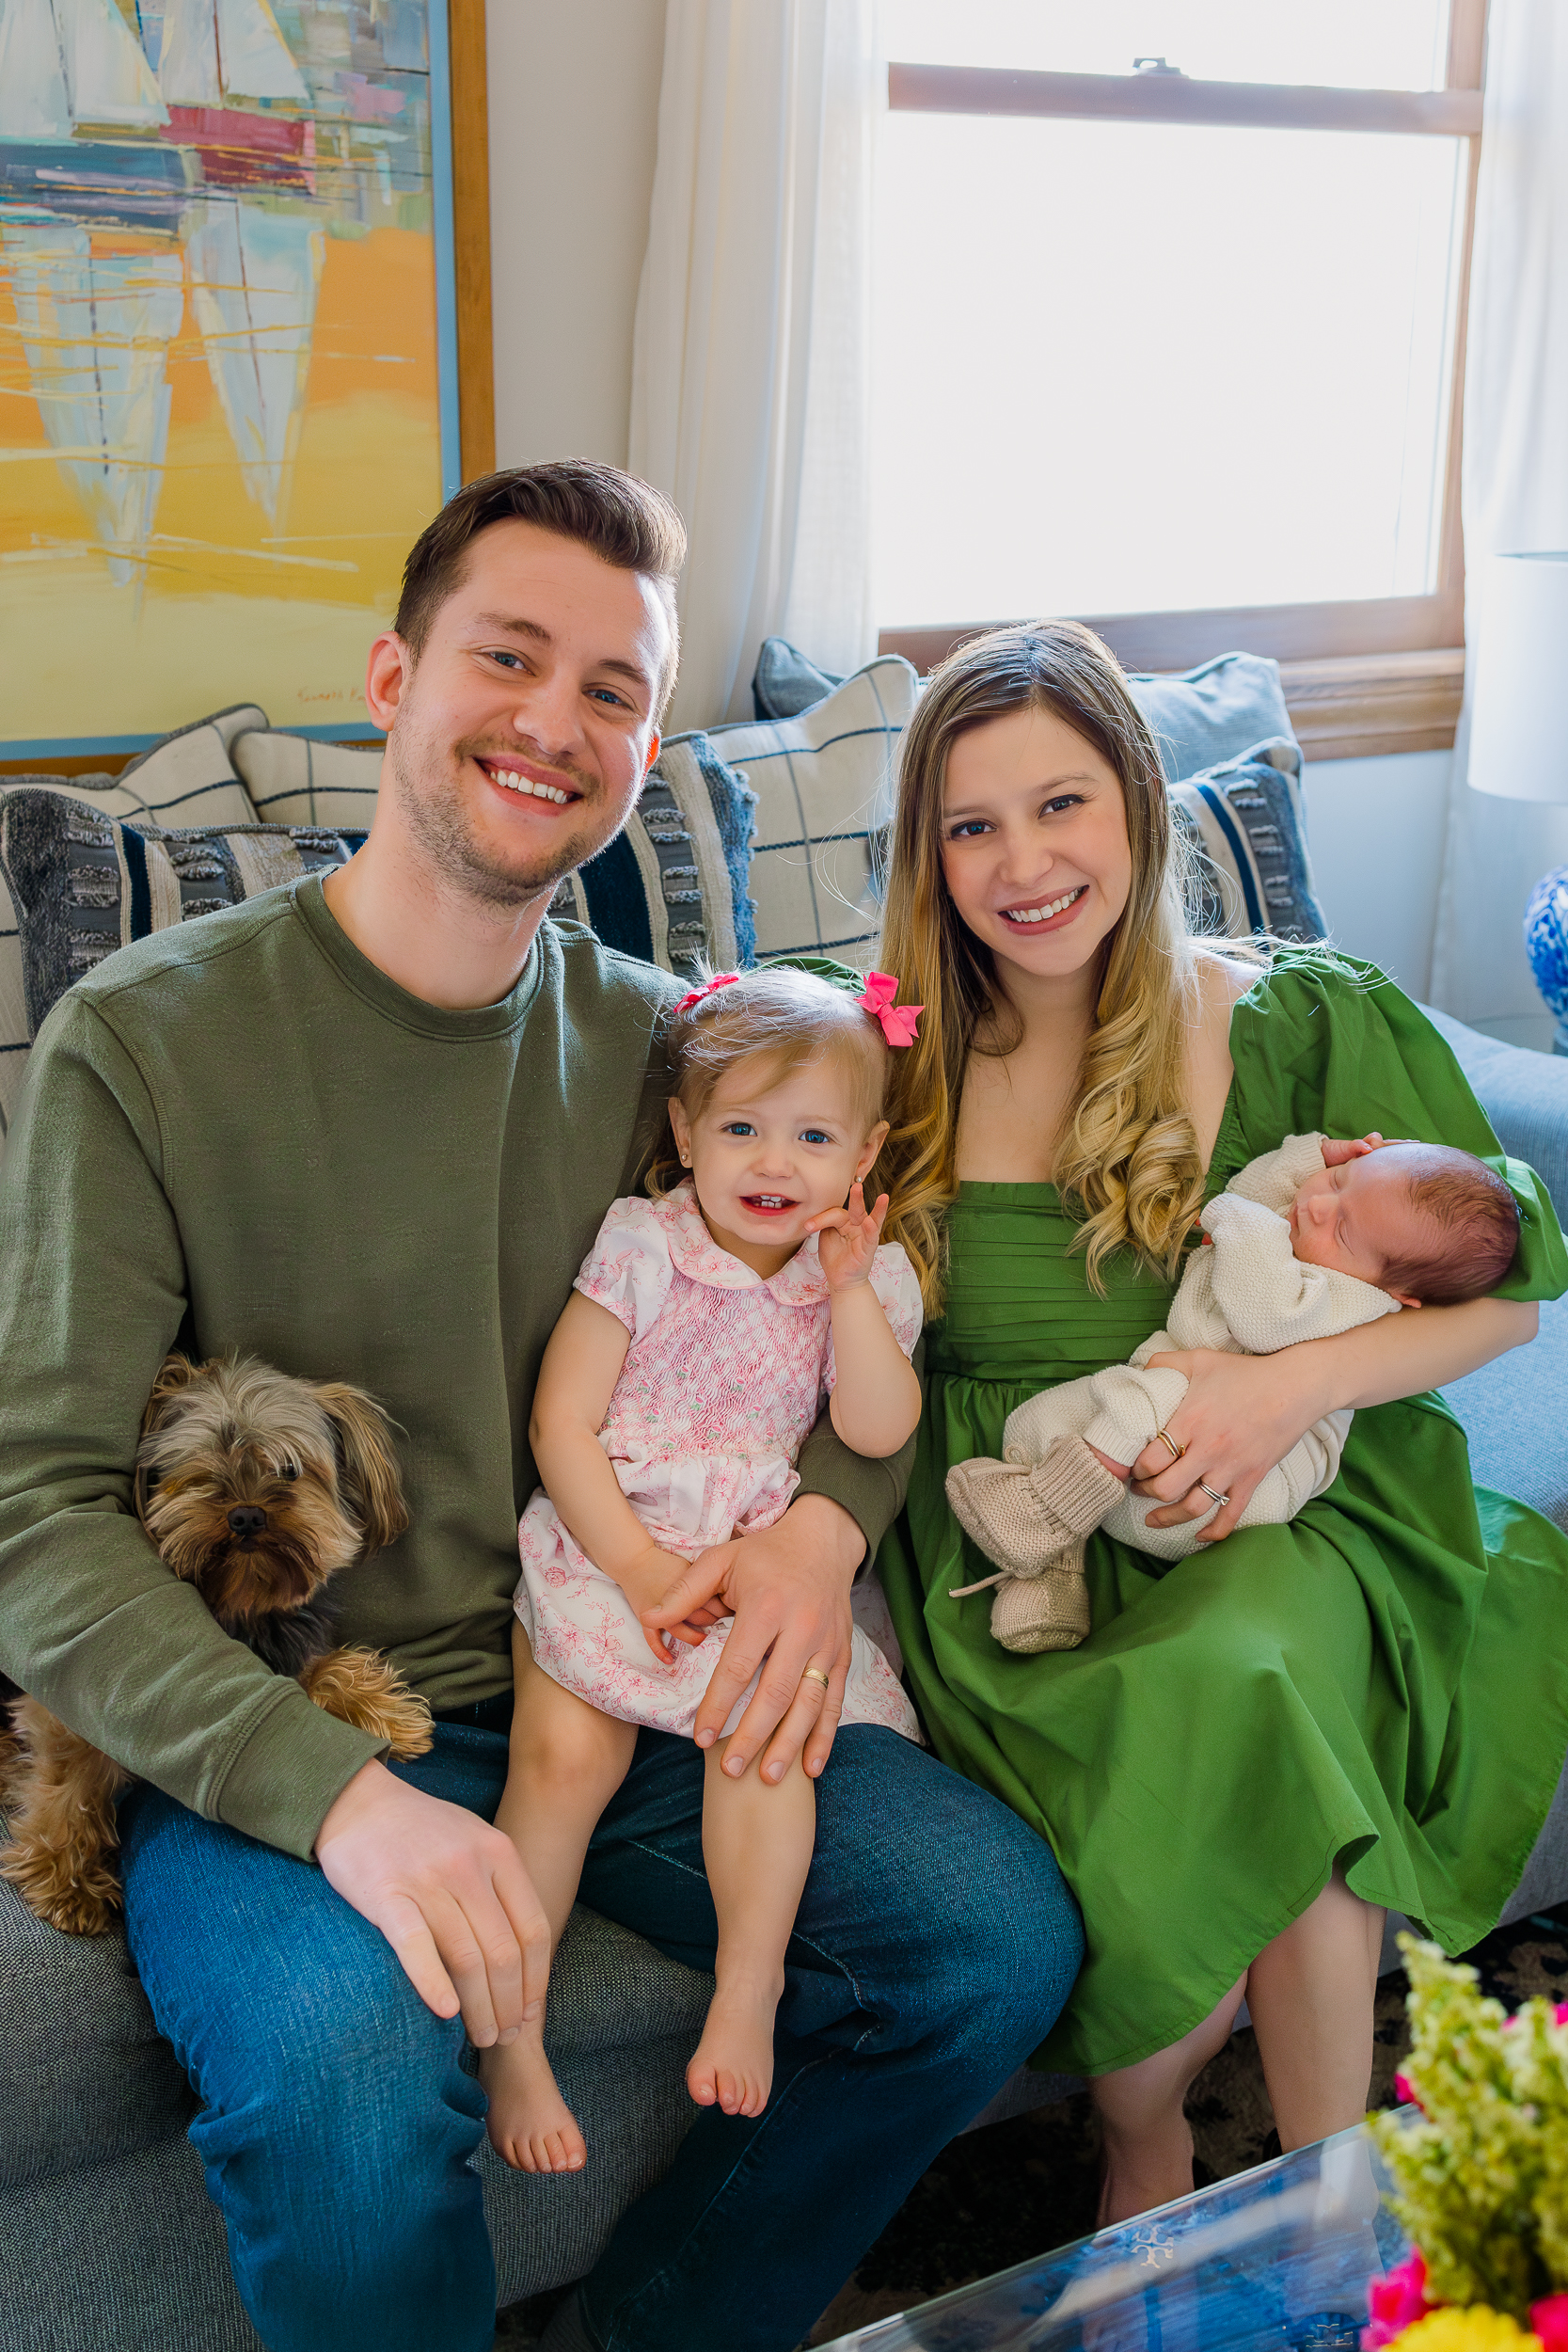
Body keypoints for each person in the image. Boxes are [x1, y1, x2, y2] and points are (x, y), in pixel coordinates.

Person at [0, 466, 1084, 2352]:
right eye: (508, 657)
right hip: (300, 1700)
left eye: (610, 688)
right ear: (393, 673)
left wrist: (826, 1526)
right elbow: (41, 1514)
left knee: (986, 1934)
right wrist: (331, 1796)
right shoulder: (144, 1038)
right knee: (343, 2074)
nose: (552, 721)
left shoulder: (678, 1048)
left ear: (643, 742)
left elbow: (848, 1271)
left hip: (620, 1670)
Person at [870, 617, 1568, 2229]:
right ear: (928, 852)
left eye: (1061, 806)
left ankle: (1321, 2201)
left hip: (1286, 1498)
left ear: (1135, 802)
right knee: (1210, 1742)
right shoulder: (882, 1057)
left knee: (1264, 1661)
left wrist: (1284, 1385)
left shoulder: (1291, 1019)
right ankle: (1148, 2142)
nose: (1024, 863)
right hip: (1029, 1526)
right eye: (971, 824)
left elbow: (1511, 1296)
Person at [487, 962, 925, 2171]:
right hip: (608, 1537)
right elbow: (558, 1423)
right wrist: (629, 1564)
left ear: (864, 1153)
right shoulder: (643, 1241)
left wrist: (846, 1295)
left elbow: (879, 1430)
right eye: (739, 1127)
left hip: (746, 1566)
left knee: (762, 1738)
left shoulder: (870, 1279)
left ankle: (749, 1981)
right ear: (683, 1132)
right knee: (560, 1759)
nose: (772, 1164)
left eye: (812, 1136)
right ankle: (512, 2039)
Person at [944, 1130, 1522, 1648]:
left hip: (1230, 1487)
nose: (1316, 1205)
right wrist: (1312, 1156)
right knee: (1035, 1423)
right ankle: (1051, 1577)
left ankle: (1049, 1512)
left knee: (1149, 1392)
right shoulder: (1314, 1234)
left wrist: (1236, 1218)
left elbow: (1262, 1316)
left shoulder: (1353, 1296)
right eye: (1338, 1181)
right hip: (1155, 1456)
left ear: (1402, 1292)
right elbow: (1263, 1188)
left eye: (1342, 1227)